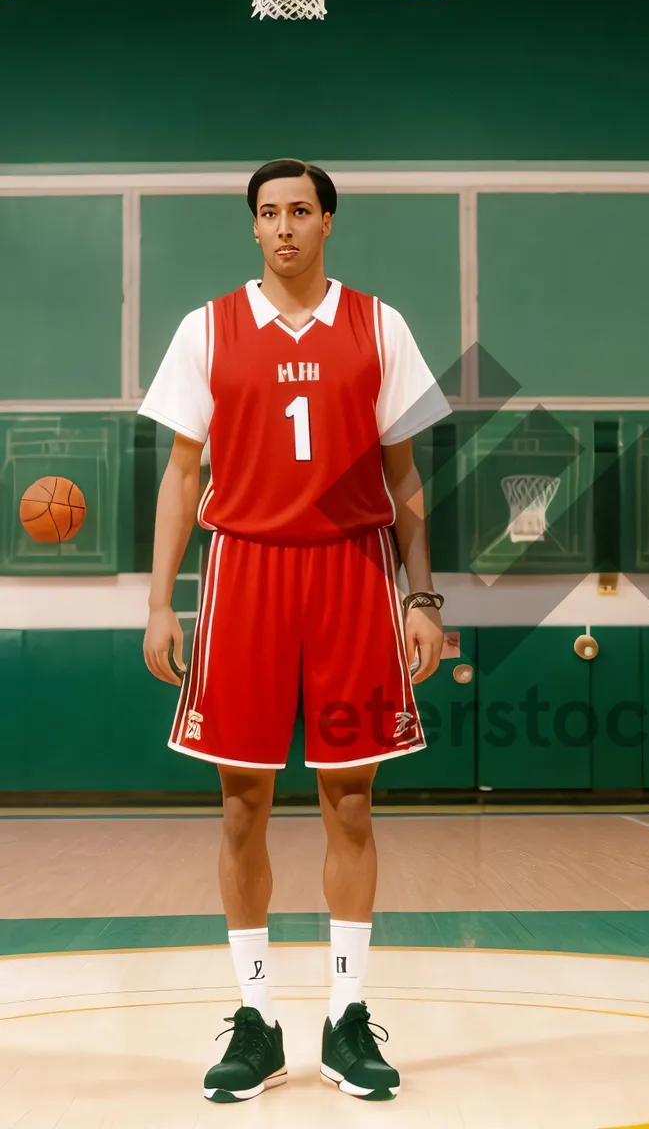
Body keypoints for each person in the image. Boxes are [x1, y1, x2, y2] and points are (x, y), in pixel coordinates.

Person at [139, 158, 451, 1103]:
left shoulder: (378, 323)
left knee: (350, 802)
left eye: (300, 212)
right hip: (244, 572)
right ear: (254, 227)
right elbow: (183, 476)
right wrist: (161, 601)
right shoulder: (207, 327)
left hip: (355, 573)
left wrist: (423, 598)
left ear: (328, 223)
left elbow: (404, 482)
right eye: (268, 213)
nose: (283, 228)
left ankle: (347, 1018)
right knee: (242, 804)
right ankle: (257, 1019)